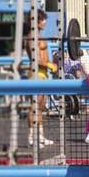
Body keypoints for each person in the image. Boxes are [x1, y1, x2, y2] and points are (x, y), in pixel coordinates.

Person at [24, 9, 58, 147]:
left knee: (41, 106)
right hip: (35, 74)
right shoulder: (32, 36)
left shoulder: (39, 35)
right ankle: (32, 137)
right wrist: (50, 65)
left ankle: (41, 136)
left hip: (43, 74)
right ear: (36, 21)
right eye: (42, 19)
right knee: (35, 106)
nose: (44, 22)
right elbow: (35, 59)